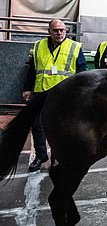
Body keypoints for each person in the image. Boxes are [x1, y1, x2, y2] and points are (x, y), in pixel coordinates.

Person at [22, 19, 87, 172]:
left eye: (62, 30)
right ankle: (41, 156)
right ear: (49, 31)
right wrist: (27, 88)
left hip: (64, 95)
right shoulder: (38, 46)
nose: (59, 33)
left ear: (66, 31)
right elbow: (32, 69)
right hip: (41, 91)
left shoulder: (74, 47)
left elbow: (82, 73)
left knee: (62, 128)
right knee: (38, 126)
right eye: (55, 30)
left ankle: (56, 157)